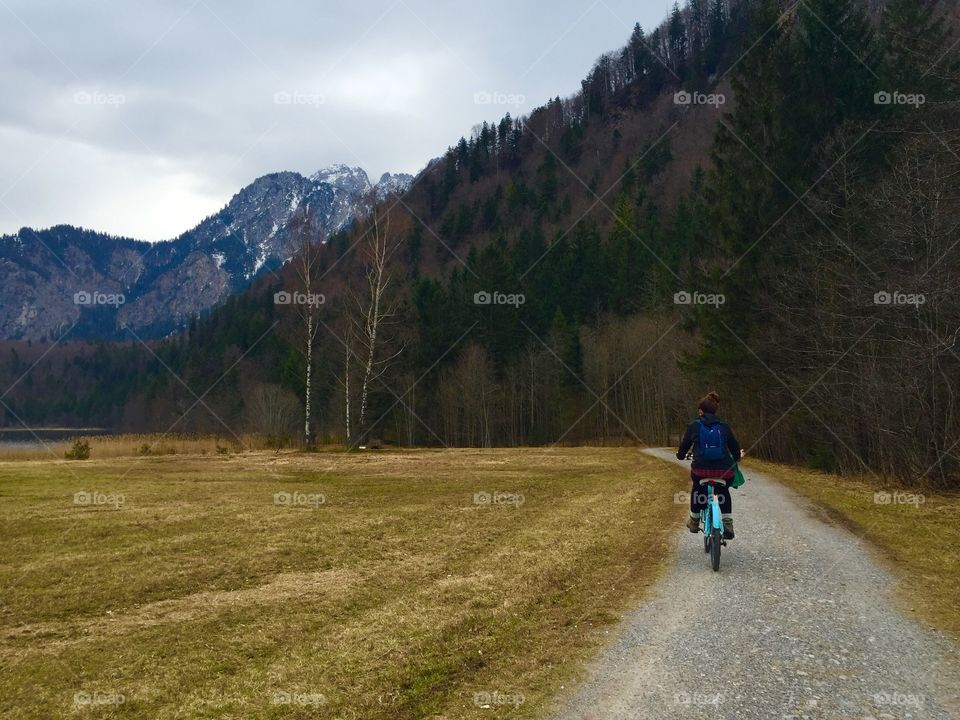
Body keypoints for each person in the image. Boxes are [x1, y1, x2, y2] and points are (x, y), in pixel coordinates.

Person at [676, 390, 745, 539]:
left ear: (700, 411)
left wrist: (680, 456)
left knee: (697, 489)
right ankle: (727, 523)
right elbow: (734, 447)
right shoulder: (724, 426)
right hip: (724, 472)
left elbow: (683, 448)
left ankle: (694, 520)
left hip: (700, 471)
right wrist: (738, 456)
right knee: (723, 492)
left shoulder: (694, 426)